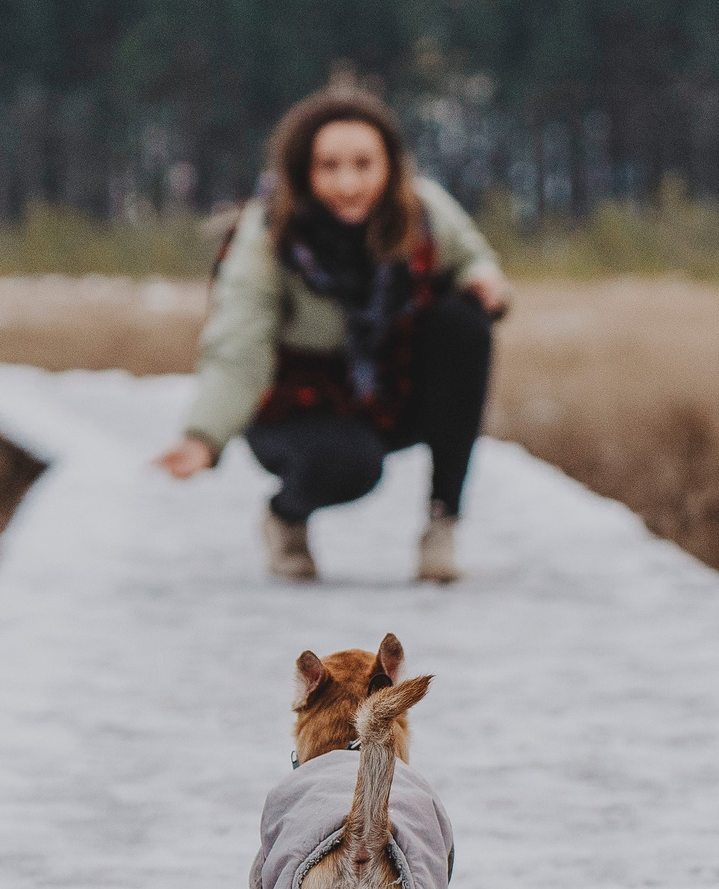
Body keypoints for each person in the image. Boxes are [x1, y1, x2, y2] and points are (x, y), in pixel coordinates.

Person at [156, 87, 512, 583]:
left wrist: (486, 282)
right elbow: (238, 346)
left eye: (364, 164)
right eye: (329, 166)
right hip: (296, 407)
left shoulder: (424, 213)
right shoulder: (267, 238)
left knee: (463, 321)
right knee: (351, 464)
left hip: (385, 394)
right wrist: (204, 437)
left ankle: (442, 524)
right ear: (303, 170)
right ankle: (285, 517)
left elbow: (472, 257)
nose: (349, 183)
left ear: (390, 166)